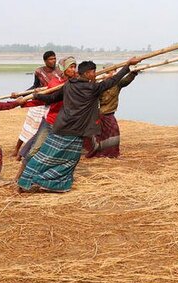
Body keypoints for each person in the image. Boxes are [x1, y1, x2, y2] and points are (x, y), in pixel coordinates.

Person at [17, 58, 140, 193]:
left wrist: (37, 96)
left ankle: (33, 181)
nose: (95, 74)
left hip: (61, 127)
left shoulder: (69, 85)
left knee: (46, 156)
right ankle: (42, 181)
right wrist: (128, 65)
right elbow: (114, 80)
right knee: (69, 161)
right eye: (93, 72)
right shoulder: (93, 88)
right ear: (87, 74)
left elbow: (52, 98)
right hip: (74, 131)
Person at [14, 56, 77, 180]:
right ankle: (19, 177)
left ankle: (55, 177)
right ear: (63, 68)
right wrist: (24, 103)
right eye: (71, 67)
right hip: (51, 121)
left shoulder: (76, 83)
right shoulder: (55, 83)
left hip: (67, 123)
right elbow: (45, 100)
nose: (74, 70)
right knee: (35, 149)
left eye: (75, 67)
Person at [12, 51, 63, 158]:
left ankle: (29, 152)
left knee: (41, 130)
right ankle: (17, 149)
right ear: (45, 61)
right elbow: (34, 86)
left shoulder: (59, 72)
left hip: (51, 101)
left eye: (54, 58)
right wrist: (22, 95)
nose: (53, 61)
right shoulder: (39, 71)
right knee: (29, 126)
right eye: (50, 59)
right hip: (39, 100)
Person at [84, 68, 140, 158]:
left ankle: (112, 153)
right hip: (100, 113)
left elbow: (125, 81)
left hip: (110, 113)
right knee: (100, 134)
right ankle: (100, 151)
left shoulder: (117, 84)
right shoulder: (100, 85)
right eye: (111, 71)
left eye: (115, 71)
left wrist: (133, 73)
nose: (114, 73)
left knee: (113, 133)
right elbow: (91, 89)